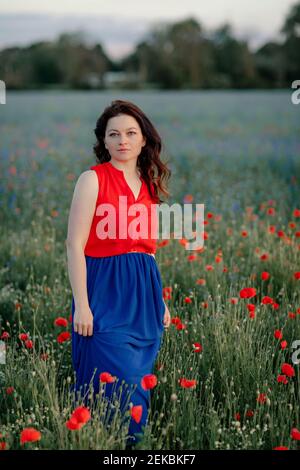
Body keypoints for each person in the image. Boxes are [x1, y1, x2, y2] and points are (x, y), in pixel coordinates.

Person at [66, 99, 172, 449]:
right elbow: (74, 244)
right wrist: (82, 305)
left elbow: (147, 248)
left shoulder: (149, 186)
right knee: (117, 380)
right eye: (114, 134)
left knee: (138, 386)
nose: (122, 140)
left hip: (143, 293)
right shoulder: (92, 180)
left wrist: (161, 300)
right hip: (104, 291)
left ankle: (129, 449)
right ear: (104, 142)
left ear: (144, 140)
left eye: (130, 133)